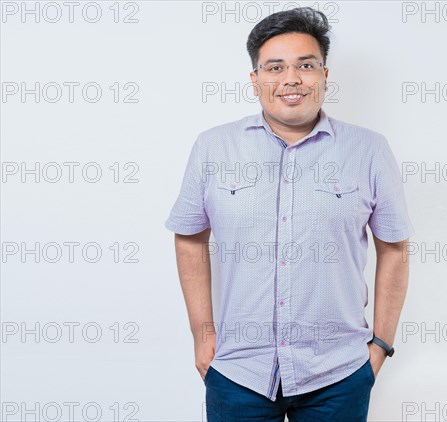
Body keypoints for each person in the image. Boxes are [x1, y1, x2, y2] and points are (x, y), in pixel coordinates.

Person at [165, 7, 415, 421]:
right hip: (238, 371)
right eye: (275, 67)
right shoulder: (213, 147)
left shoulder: (369, 150)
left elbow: (394, 249)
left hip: (338, 374)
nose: (291, 79)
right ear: (255, 79)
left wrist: (380, 346)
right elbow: (189, 237)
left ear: (325, 76)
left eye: (306, 65)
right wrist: (202, 333)